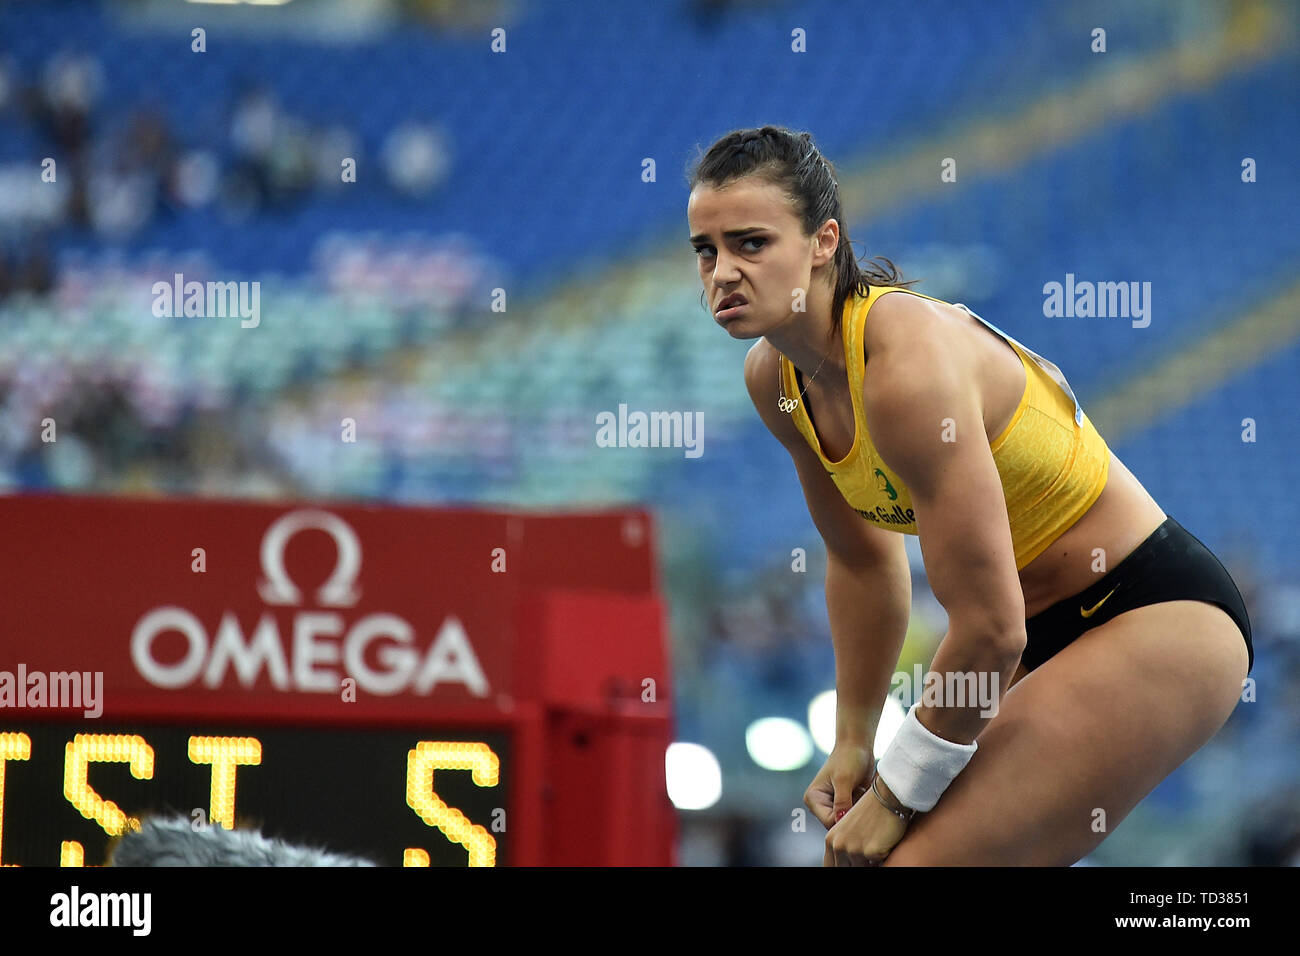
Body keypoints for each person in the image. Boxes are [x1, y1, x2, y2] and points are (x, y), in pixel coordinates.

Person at [685, 126, 1254, 866]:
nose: (723, 272)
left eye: (751, 244)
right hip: (1030, 638)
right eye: (706, 250)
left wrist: (896, 794)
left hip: (1150, 613)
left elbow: (990, 628)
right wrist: (854, 741)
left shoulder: (905, 366)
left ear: (823, 242)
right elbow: (861, 562)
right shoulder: (775, 381)